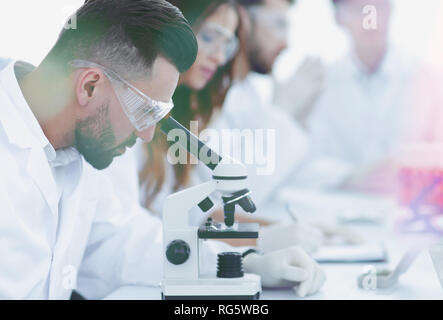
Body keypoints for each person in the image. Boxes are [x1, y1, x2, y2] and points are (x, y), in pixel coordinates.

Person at [125, 0, 326, 297]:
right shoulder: (128, 116)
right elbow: (127, 240)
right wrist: (253, 250)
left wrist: (265, 237)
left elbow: (200, 214)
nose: (219, 57)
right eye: (208, 37)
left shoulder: (185, 112)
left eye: (227, 44)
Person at [0, 0, 198, 299]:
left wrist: (238, 260)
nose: (146, 134)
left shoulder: (74, 152)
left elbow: (118, 241)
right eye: (144, 112)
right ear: (90, 86)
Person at [294, 0, 415, 193]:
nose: (371, 19)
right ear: (338, 17)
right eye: (360, 9)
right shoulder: (319, 84)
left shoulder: (425, 79)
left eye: (379, 6)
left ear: (391, 10)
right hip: (335, 212)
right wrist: (351, 177)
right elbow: (301, 164)